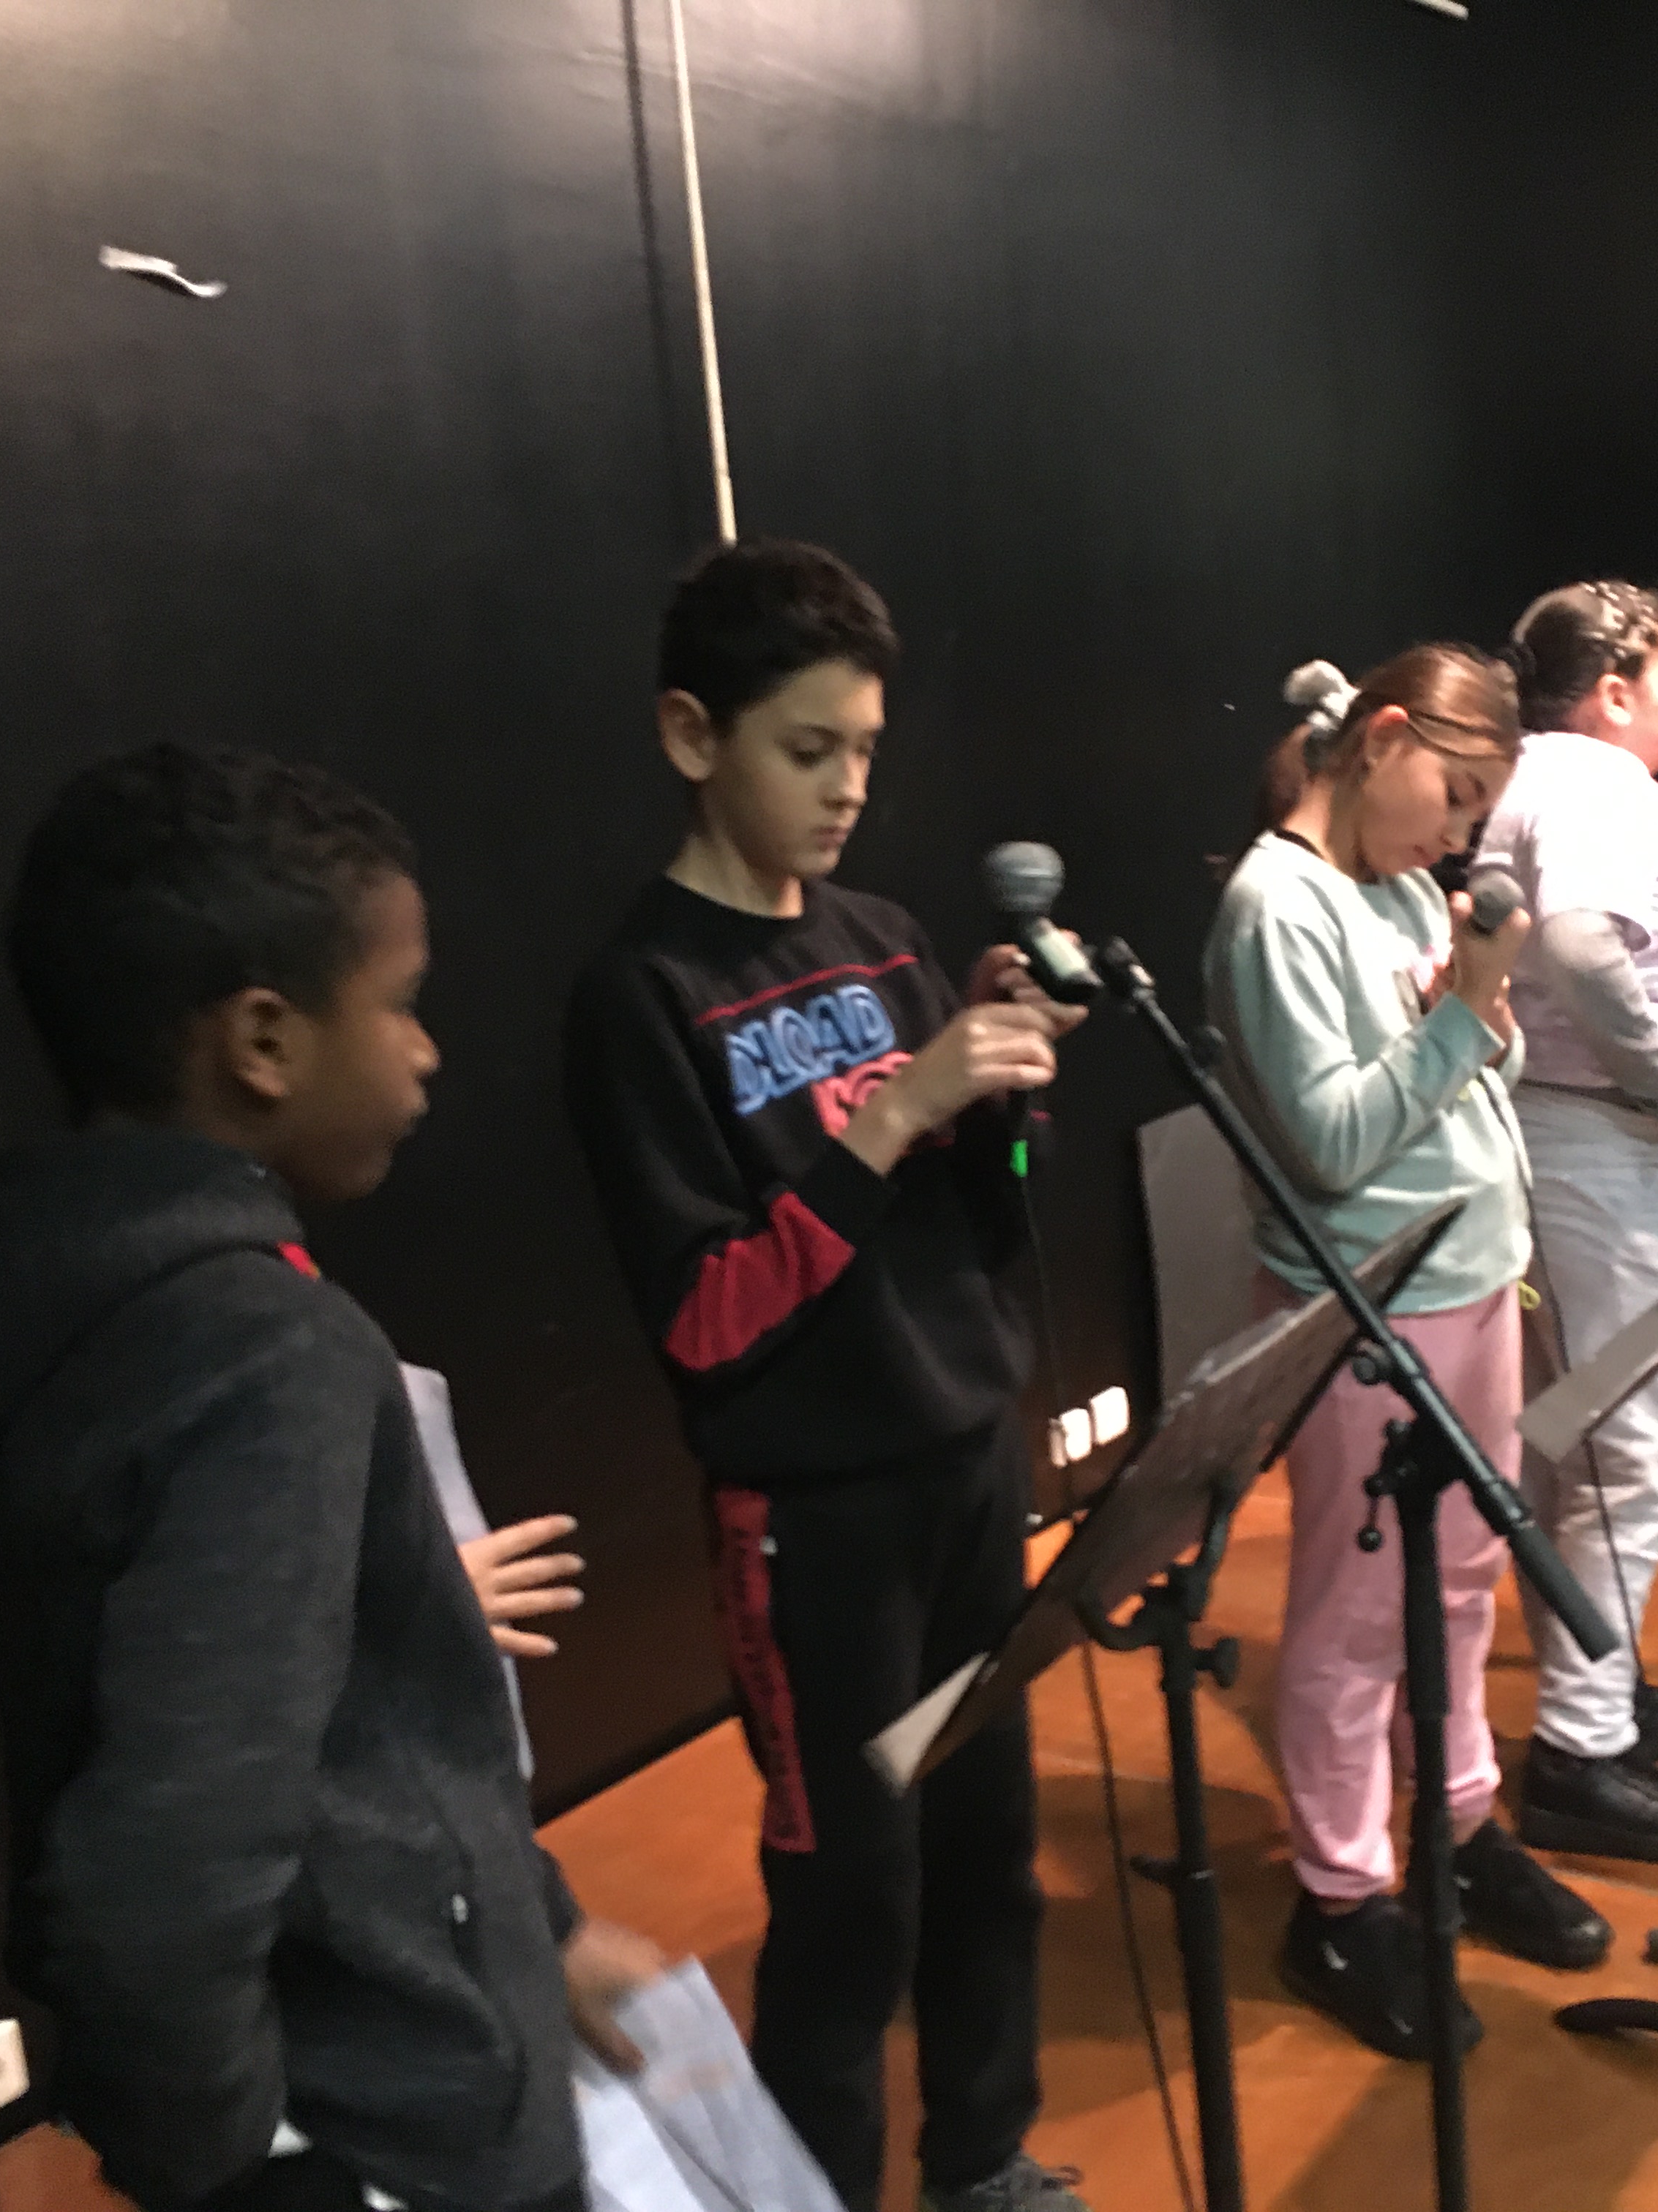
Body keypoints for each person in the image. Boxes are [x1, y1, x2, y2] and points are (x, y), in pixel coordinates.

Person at [0, 743, 660, 2212]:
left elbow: (333, 1735)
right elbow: (165, 1861)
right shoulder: (267, 1353)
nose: (426, 1050)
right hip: (391, 2142)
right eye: (401, 1003)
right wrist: (249, 2171)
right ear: (263, 1040)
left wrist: (530, 1924)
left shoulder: (52, 1300)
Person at [563, 540, 1087, 2212]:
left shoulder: (883, 937)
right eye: (809, 750)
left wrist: (1002, 1097)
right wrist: (893, 1114)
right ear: (690, 734)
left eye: (864, 748)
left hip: (966, 1467)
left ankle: (984, 2158)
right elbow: (710, 1318)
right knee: (853, 1902)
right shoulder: (645, 995)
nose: (850, 786)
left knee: (988, 1853)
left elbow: (984, 1207)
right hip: (814, 1526)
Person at [1207, 642, 1608, 2061]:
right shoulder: (1276, 904)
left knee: (1464, 1580)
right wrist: (1455, 1015)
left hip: (1471, 1278)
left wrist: (1475, 1007)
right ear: (1381, 738)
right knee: (1357, 1609)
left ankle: (1456, 1821)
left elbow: (1474, 1071)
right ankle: (1340, 1894)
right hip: (1367, 1313)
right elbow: (1329, 1143)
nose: (1456, 837)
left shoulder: (1393, 887)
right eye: (1454, 795)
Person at [1472, 582, 1658, 1865]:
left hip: (1555, 1139)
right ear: (1614, 689)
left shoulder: (1537, 777)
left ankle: (1602, 1683)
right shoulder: (1594, 780)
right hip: (1594, 1145)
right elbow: (1585, 943)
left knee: (1571, 1433)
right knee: (1628, 1440)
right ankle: (1583, 1750)